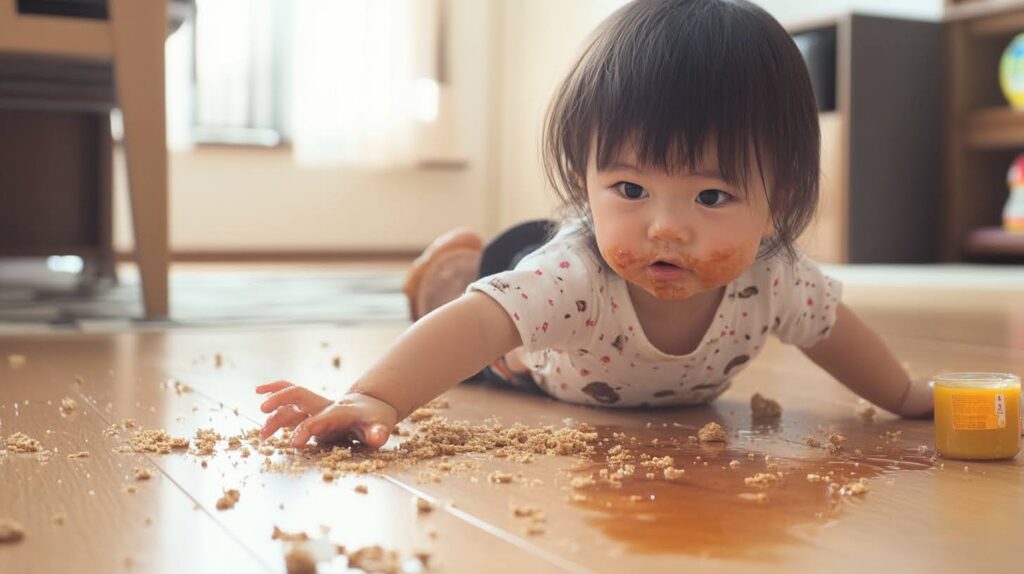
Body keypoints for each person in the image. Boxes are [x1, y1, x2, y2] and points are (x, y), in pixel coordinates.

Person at [256, 0, 934, 449]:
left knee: (515, 278)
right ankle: (450, 279)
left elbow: (836, 333)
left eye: (712, 197)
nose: (666, 228)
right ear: (587, 180)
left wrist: (903, 394)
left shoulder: (777, 276)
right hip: (541, 356)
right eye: (631, 187)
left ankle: (476, 266)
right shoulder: (574, 276)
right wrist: (372, 398)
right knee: (492, 334)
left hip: (572, 303)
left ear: (778, 201)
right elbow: (476, 330)